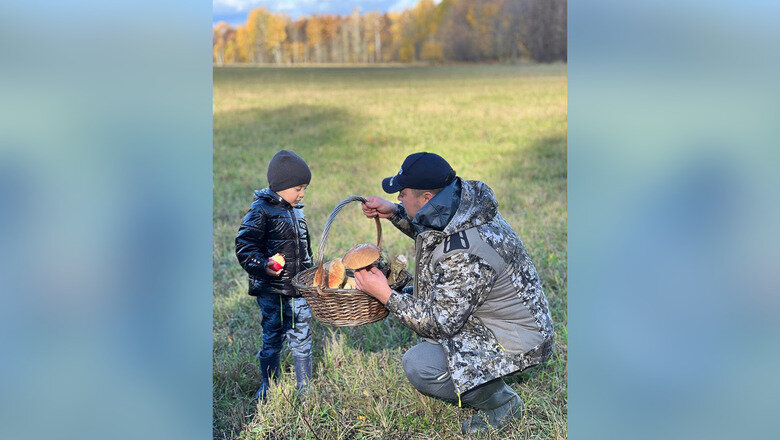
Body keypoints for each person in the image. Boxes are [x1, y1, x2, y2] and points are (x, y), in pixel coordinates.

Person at [354, 152, 555, 434]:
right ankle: (484, 380)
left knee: (420, 364)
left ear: (426, 198)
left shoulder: (466, 250)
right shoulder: (461, 207)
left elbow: (439, 323)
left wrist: (386, 295)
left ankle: (501, 402)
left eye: (403, 194)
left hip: (518, 339)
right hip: (496, 318)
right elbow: (437, 232)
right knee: (422, 315)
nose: (399, 196)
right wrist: (395, 213)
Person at [235, 149, 315, 401]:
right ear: (280, 187)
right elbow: (245, 246)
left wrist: (310, 271)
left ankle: (305, 386)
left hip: (298, 289)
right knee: (272, 336)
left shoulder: (296, 210)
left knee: (302, 333)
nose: (302, 194)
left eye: (305, 188)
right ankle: (268, 383)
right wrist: (262, 264)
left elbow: (304, 247)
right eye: (298, 188)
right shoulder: (261, 211)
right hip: (272, 290)